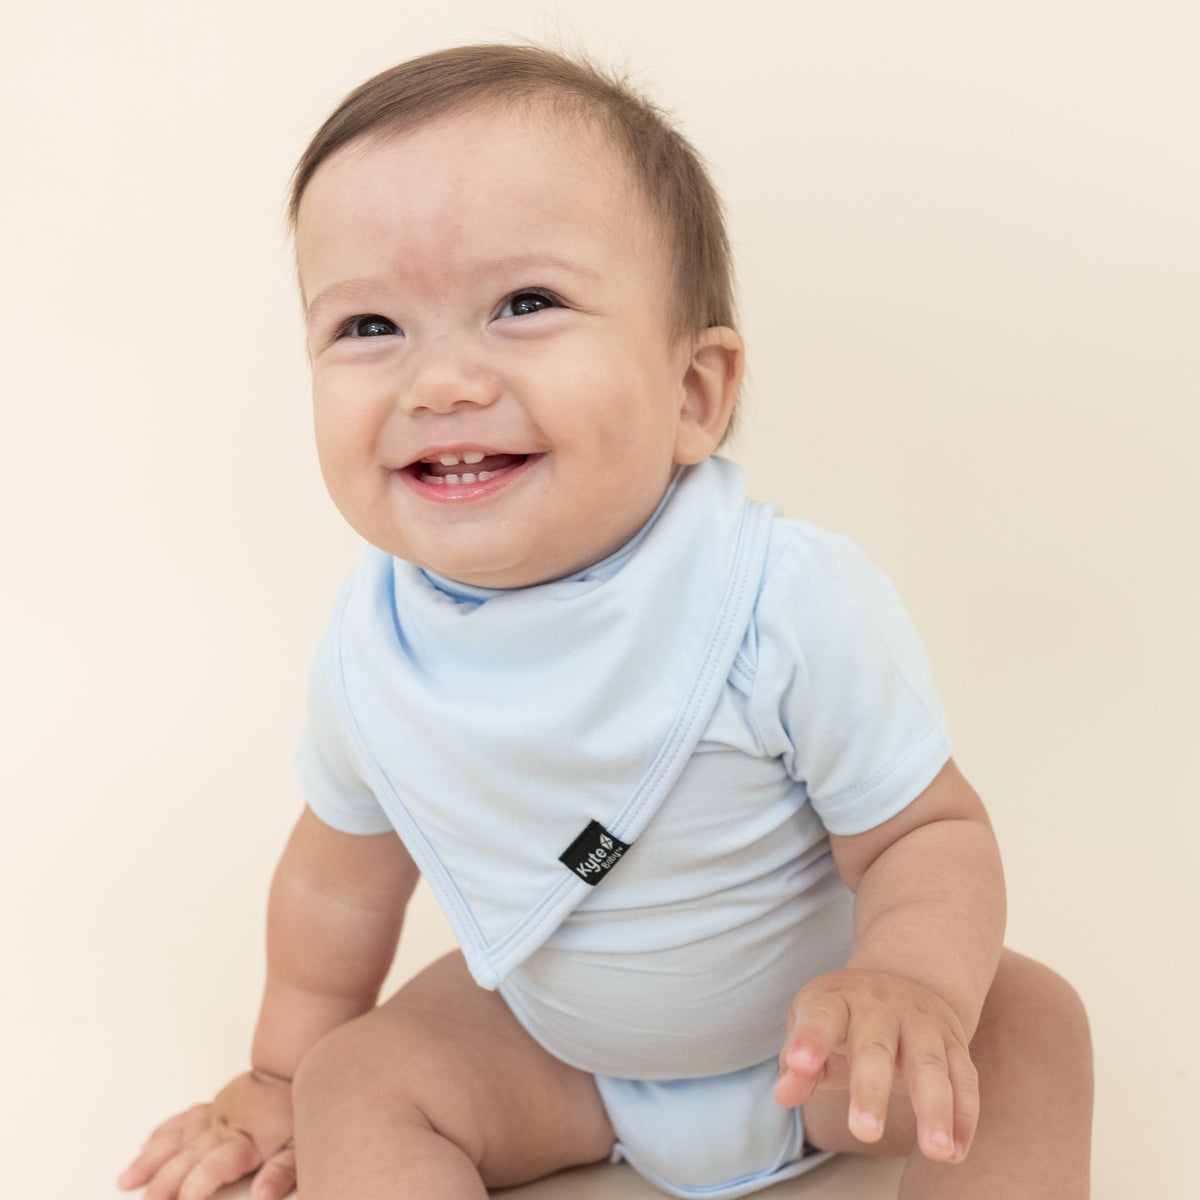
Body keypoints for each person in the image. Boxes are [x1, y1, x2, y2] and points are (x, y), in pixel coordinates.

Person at [118, 43, 1093, 1200]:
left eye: (525, 304)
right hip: (559, 1060)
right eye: (369, 326)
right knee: (356, 1080)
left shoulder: (776, 599)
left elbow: (923, 837)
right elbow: (339, 881)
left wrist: (912, 983)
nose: (439, 382)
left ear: (694, 395)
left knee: (1028, 1024)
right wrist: (280, 1070)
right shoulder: (375, 655)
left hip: (822, 1047)